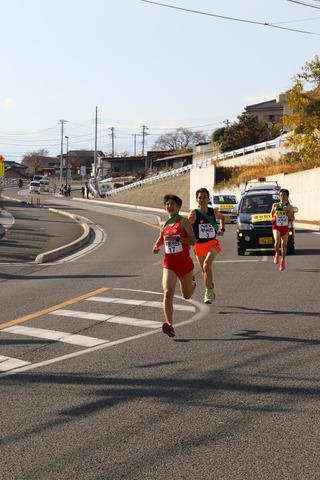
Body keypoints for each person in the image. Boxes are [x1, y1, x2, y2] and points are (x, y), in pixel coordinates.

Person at [153, 194, 196, 338]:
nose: (169, 206)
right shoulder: (165, 224)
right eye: (166, 204)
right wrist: (157, 246)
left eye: (172, 204)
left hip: (184, 264)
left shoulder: (183, 222)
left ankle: (193, 285)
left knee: (187, 295)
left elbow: (192, 241)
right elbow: (161, 238)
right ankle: (170, 325)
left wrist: (178, 238)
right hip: (169, 264)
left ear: (178, 207)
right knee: (167, 292)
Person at [189, 187, 225, 304]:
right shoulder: (194, 213)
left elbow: (222, 218)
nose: (203, 199)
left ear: (208, 198)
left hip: (212, 243)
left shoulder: (213, 211)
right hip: (199, 245)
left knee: (206, 265)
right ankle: (209, 286)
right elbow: (187, 226)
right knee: (205, 272)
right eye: (200, 197)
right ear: (197, 200)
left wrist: (222, 228)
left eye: (205, 197)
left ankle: (207, 292)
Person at [270, 188, 295, 271]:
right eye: (281, 195)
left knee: (284, 245)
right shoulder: (275, 205)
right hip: (276, 226)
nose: (282, 197)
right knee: (277, 242)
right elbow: (271, 215)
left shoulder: (289, 207)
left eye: (284, 195)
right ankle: (277, 253)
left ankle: (282, 261)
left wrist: (287, 212)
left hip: (285, 228)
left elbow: (292, 218)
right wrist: (273, 218)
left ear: (287, 196)